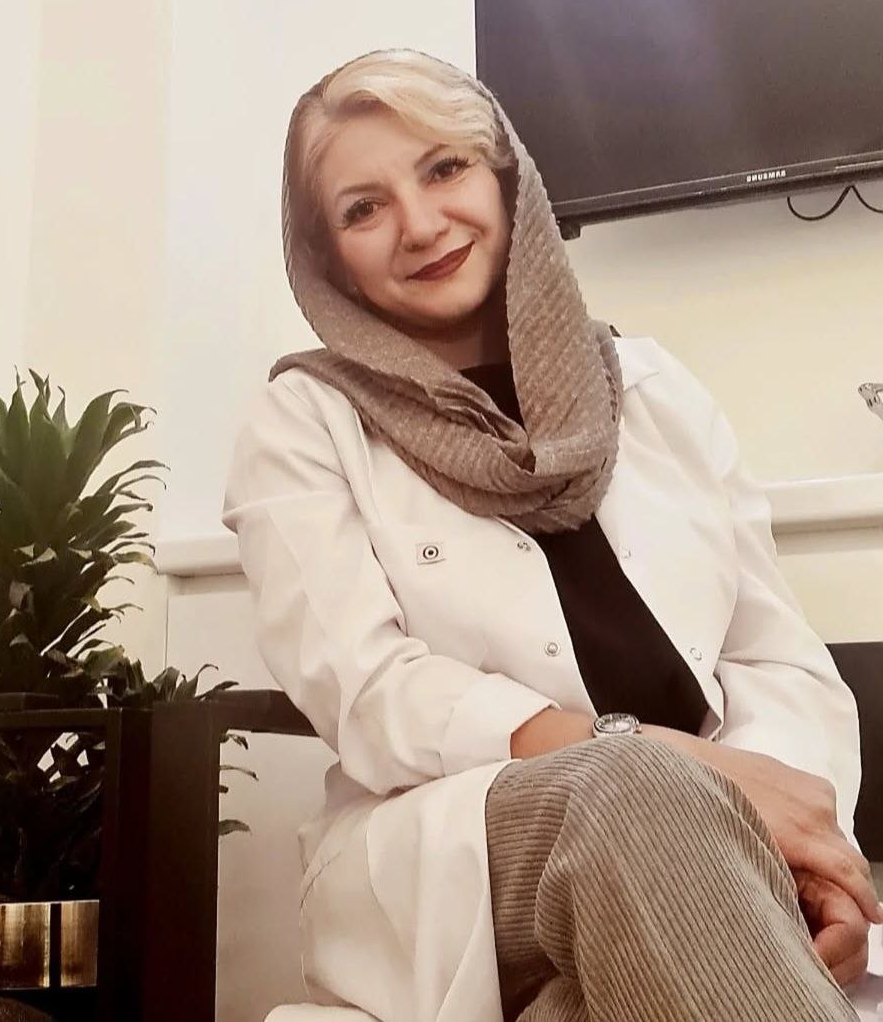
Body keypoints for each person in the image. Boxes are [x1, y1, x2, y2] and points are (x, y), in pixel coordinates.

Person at [221, 49, 876, 1022]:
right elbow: (373, 693)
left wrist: (803, 853)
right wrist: (664, 762)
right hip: (456, 859)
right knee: (633, 791)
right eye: (364, 208)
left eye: (445, 168)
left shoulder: (652, 388)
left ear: (506, 176)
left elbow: (774, 660)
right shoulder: (301, 424)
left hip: (696, 848)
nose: (420, 224)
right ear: (329, 255)